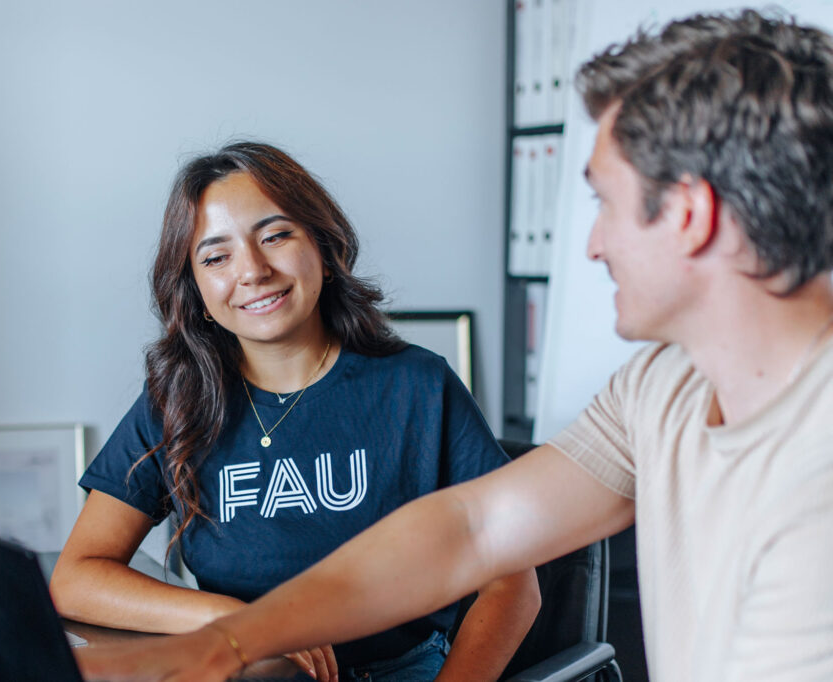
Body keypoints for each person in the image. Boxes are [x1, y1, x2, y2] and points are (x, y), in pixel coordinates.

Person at [75, 10, 833, 682]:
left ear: (691, 214)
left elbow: (505, 577)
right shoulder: (659, 388)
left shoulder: (815, 484)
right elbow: (473, 529)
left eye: (605, 203)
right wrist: (233, 638)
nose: (593, 245)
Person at [49, 141, 540, 682]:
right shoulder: (177, 400)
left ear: (324, 250)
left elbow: (513, 583)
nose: (253, 271)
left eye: (275, 236)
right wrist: (231, 618)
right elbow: (76, 578)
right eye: (216, 257)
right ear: (197, 291)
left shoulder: (418, 385)